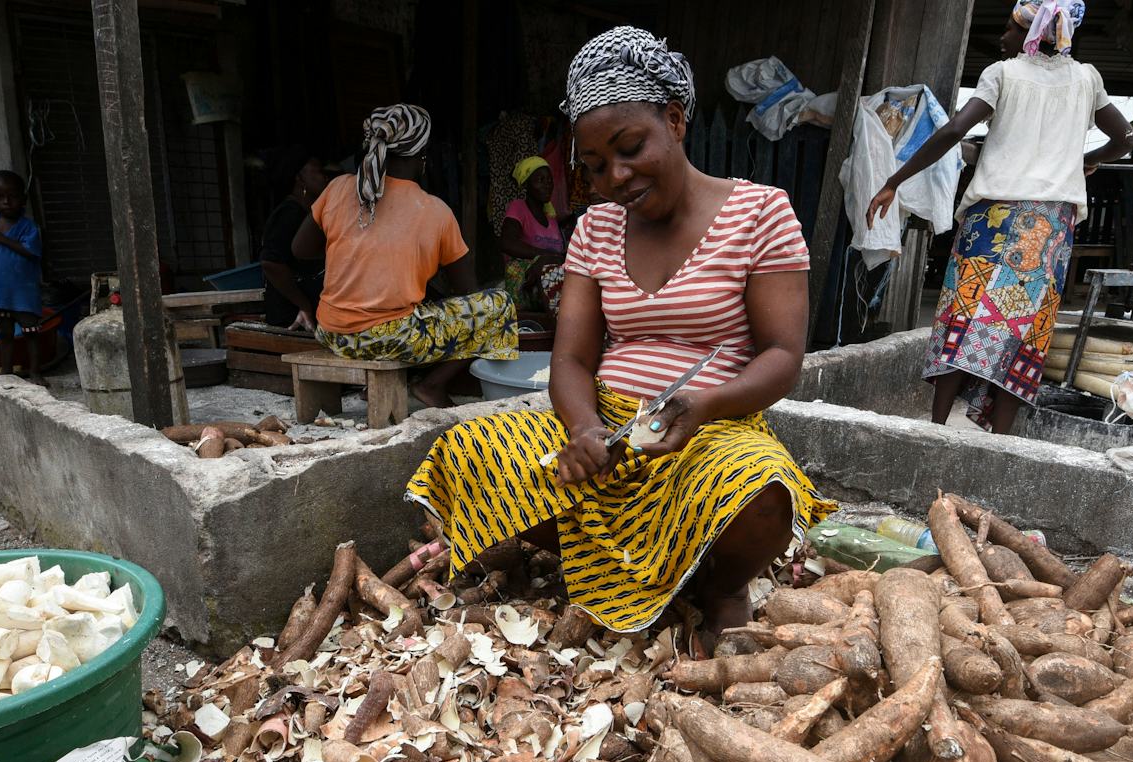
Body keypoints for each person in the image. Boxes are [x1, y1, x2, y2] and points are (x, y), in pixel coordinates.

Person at [406, 28, 833, 639]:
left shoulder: (761, 213)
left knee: (762, 494)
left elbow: (783, 355)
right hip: (604, 429)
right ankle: (629, 565)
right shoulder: (596, 228)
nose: (617, 177)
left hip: (708, 431)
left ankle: (719, 587)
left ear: (676, 120)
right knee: (471, 449)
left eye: (631, 148)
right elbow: (572, 360)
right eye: (597, 165)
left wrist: (704, 403)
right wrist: (583, 429)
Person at [867, 0, 1133, 434]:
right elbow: (1126, 137)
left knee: (963, 317)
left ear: (1034, 35)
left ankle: (937, 427)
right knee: (1025, 332)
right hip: (1049, 227)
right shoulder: (1088, 79)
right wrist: (1088, 160)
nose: (1003, 38)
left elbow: (955, 130)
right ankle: (1001, 438)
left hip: (992, 219)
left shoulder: (1002, 73)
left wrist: (894, 181)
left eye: (1010, 30)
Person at [292, 103, 518, 408]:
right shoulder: (434, 210)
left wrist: (350, 243)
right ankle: (431, 385)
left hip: (332, 333)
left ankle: (382, 385)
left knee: (411, 309)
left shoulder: (339, 187)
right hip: (387, 340)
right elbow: (466, 289)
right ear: (422, 158)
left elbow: (300, 250)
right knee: (499, 306)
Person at [0, 170, 44, 380]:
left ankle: (35, 372)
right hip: (2, 293)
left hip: (24, 292)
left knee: (31, 333)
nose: (7, 202)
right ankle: (6, 372)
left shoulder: (28, 227)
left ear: (23, 198)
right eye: (0, 197)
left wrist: (1, 239)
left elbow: (31, 251)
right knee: (4, 333)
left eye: (12, 196)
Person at [260, 149, 328, 330]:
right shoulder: (290, 214)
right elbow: (271, 263)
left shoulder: (304, 213)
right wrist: (303, 304)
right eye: (318, 171)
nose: (324, 177)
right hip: (293, 319)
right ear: (299, 178)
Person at [500, 155, 567, 314]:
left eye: (549, 180)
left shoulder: (551, 218)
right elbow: (506, 243)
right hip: (526, 286)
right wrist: (545, 257)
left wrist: (548, 259)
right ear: (526, 184)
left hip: (548, 285)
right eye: (540, 180)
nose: (547, 185)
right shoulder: (518, 207)